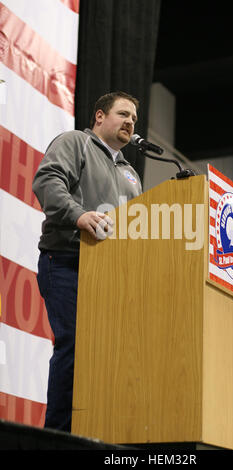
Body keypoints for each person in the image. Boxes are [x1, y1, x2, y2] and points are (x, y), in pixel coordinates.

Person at [33, 91, 142, 432]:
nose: (130, 122)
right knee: (76, 344)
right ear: (99, 116)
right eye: (123, 114)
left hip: (111, 275)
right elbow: (47, 182)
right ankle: (58, 436)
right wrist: (79, 215)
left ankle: (94, 431)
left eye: (134, 119)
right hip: (67, 260)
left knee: (109, 355)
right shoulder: (75, 143)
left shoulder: (131, 175)